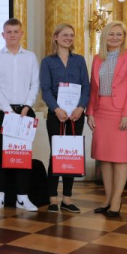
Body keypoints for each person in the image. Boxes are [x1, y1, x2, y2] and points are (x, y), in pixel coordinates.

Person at [86, 21, 127, 217]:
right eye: (112, 34)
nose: (115, 38)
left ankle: (117, 200)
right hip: (101, 112)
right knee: (105, 159)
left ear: (124, 37)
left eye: (119, 34)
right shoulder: (97, 59)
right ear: (105, 36)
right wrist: (90, 112)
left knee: (120, 158)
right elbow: (93, 88)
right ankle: (108, 198)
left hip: (120, 114)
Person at [0, 18, 40, 212]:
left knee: (22, 155)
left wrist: (27, 106)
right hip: (1, 112)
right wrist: (8, 111)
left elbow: (35, 84)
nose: (12, 35)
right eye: (8, 32)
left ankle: (22, 197)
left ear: (21, 33)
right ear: (3, 35)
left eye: (16, 31)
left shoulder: (30, 57)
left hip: (24, 112)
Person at [41, 23, 90, 213]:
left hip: (77, 116)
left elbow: (86, 87)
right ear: (55, 37)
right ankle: (52, 198)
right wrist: (56, 109)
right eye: (64, 35)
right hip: (56, 115)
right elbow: (45, 90)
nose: (68, 38)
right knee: (57, 154)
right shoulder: (47, 62)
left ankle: (67, 199)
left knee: (72, 155)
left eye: (71, 35)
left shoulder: (79, 60)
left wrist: (81, 107)